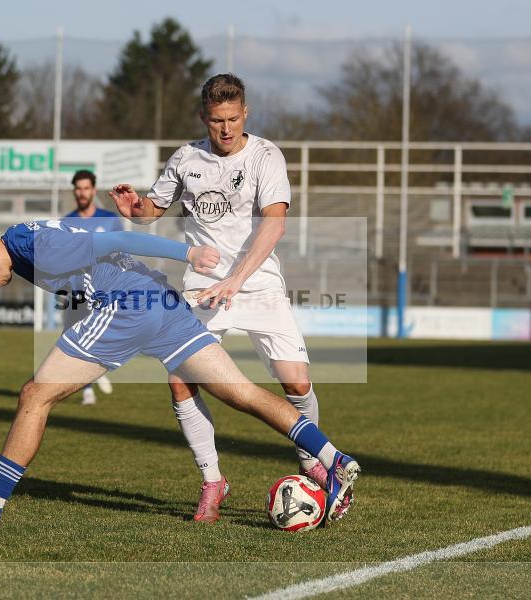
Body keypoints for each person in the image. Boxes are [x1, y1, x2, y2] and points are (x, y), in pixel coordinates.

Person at [0, 220, 360, 524]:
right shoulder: (25, 242)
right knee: (243, 393)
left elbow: (116, 239)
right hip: (162, 304)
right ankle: (333, 458)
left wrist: (187, 252)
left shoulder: (31, 245)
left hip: (125, 310)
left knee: (34, 396)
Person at [109, 73, 356, 522]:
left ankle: (309, 461)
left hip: (257, 283)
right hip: (202, 288)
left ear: (245, 113)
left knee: (296, 383)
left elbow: (274, 224)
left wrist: (236, 281)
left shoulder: (265, 156)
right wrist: (136, 211)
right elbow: (153, 210)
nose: (225, 129)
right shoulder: (186, 158)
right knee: (181, 379)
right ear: (204, 117)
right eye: (216, 121)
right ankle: (211, 481)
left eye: (233, 119)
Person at [59, 169, 122, 405]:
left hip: (104, 289)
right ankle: (86, 391)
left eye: (86, 188)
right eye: (78, 188)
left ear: (93, 190)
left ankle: (100, 369)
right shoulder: (66, 222)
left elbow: (120, 252)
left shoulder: (109, 219)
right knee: (74, 337)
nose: (82, 192)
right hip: (77, 291)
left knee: (107, 337)